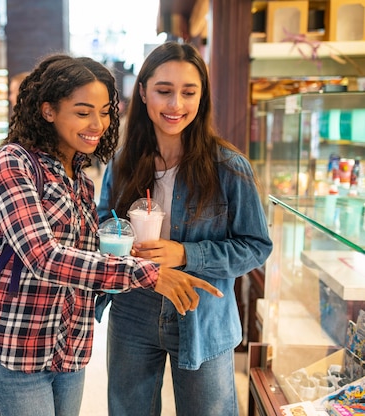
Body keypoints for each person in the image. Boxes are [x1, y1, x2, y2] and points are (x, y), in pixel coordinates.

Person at [0, 54, 223, 416]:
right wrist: (147, 274)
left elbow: (88, 262)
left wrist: (133, 250)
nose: (98, 123)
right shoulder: (14, 163)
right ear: (48, 111)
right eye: (83, 111)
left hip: (67, 350)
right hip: (13, 349)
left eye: (105, 111)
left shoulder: (80, 179)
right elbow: (44, 257)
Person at [97, 42, 273, 416]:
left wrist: (185, 253)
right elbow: (102, 224)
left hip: (202, 313)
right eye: (164, 91)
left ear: (201, 96)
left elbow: (256, 246)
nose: (175, 104)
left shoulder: (229, 167)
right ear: (142, 92)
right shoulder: (123, 163)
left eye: (188, 92)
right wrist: (123, 247)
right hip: (133, 309)